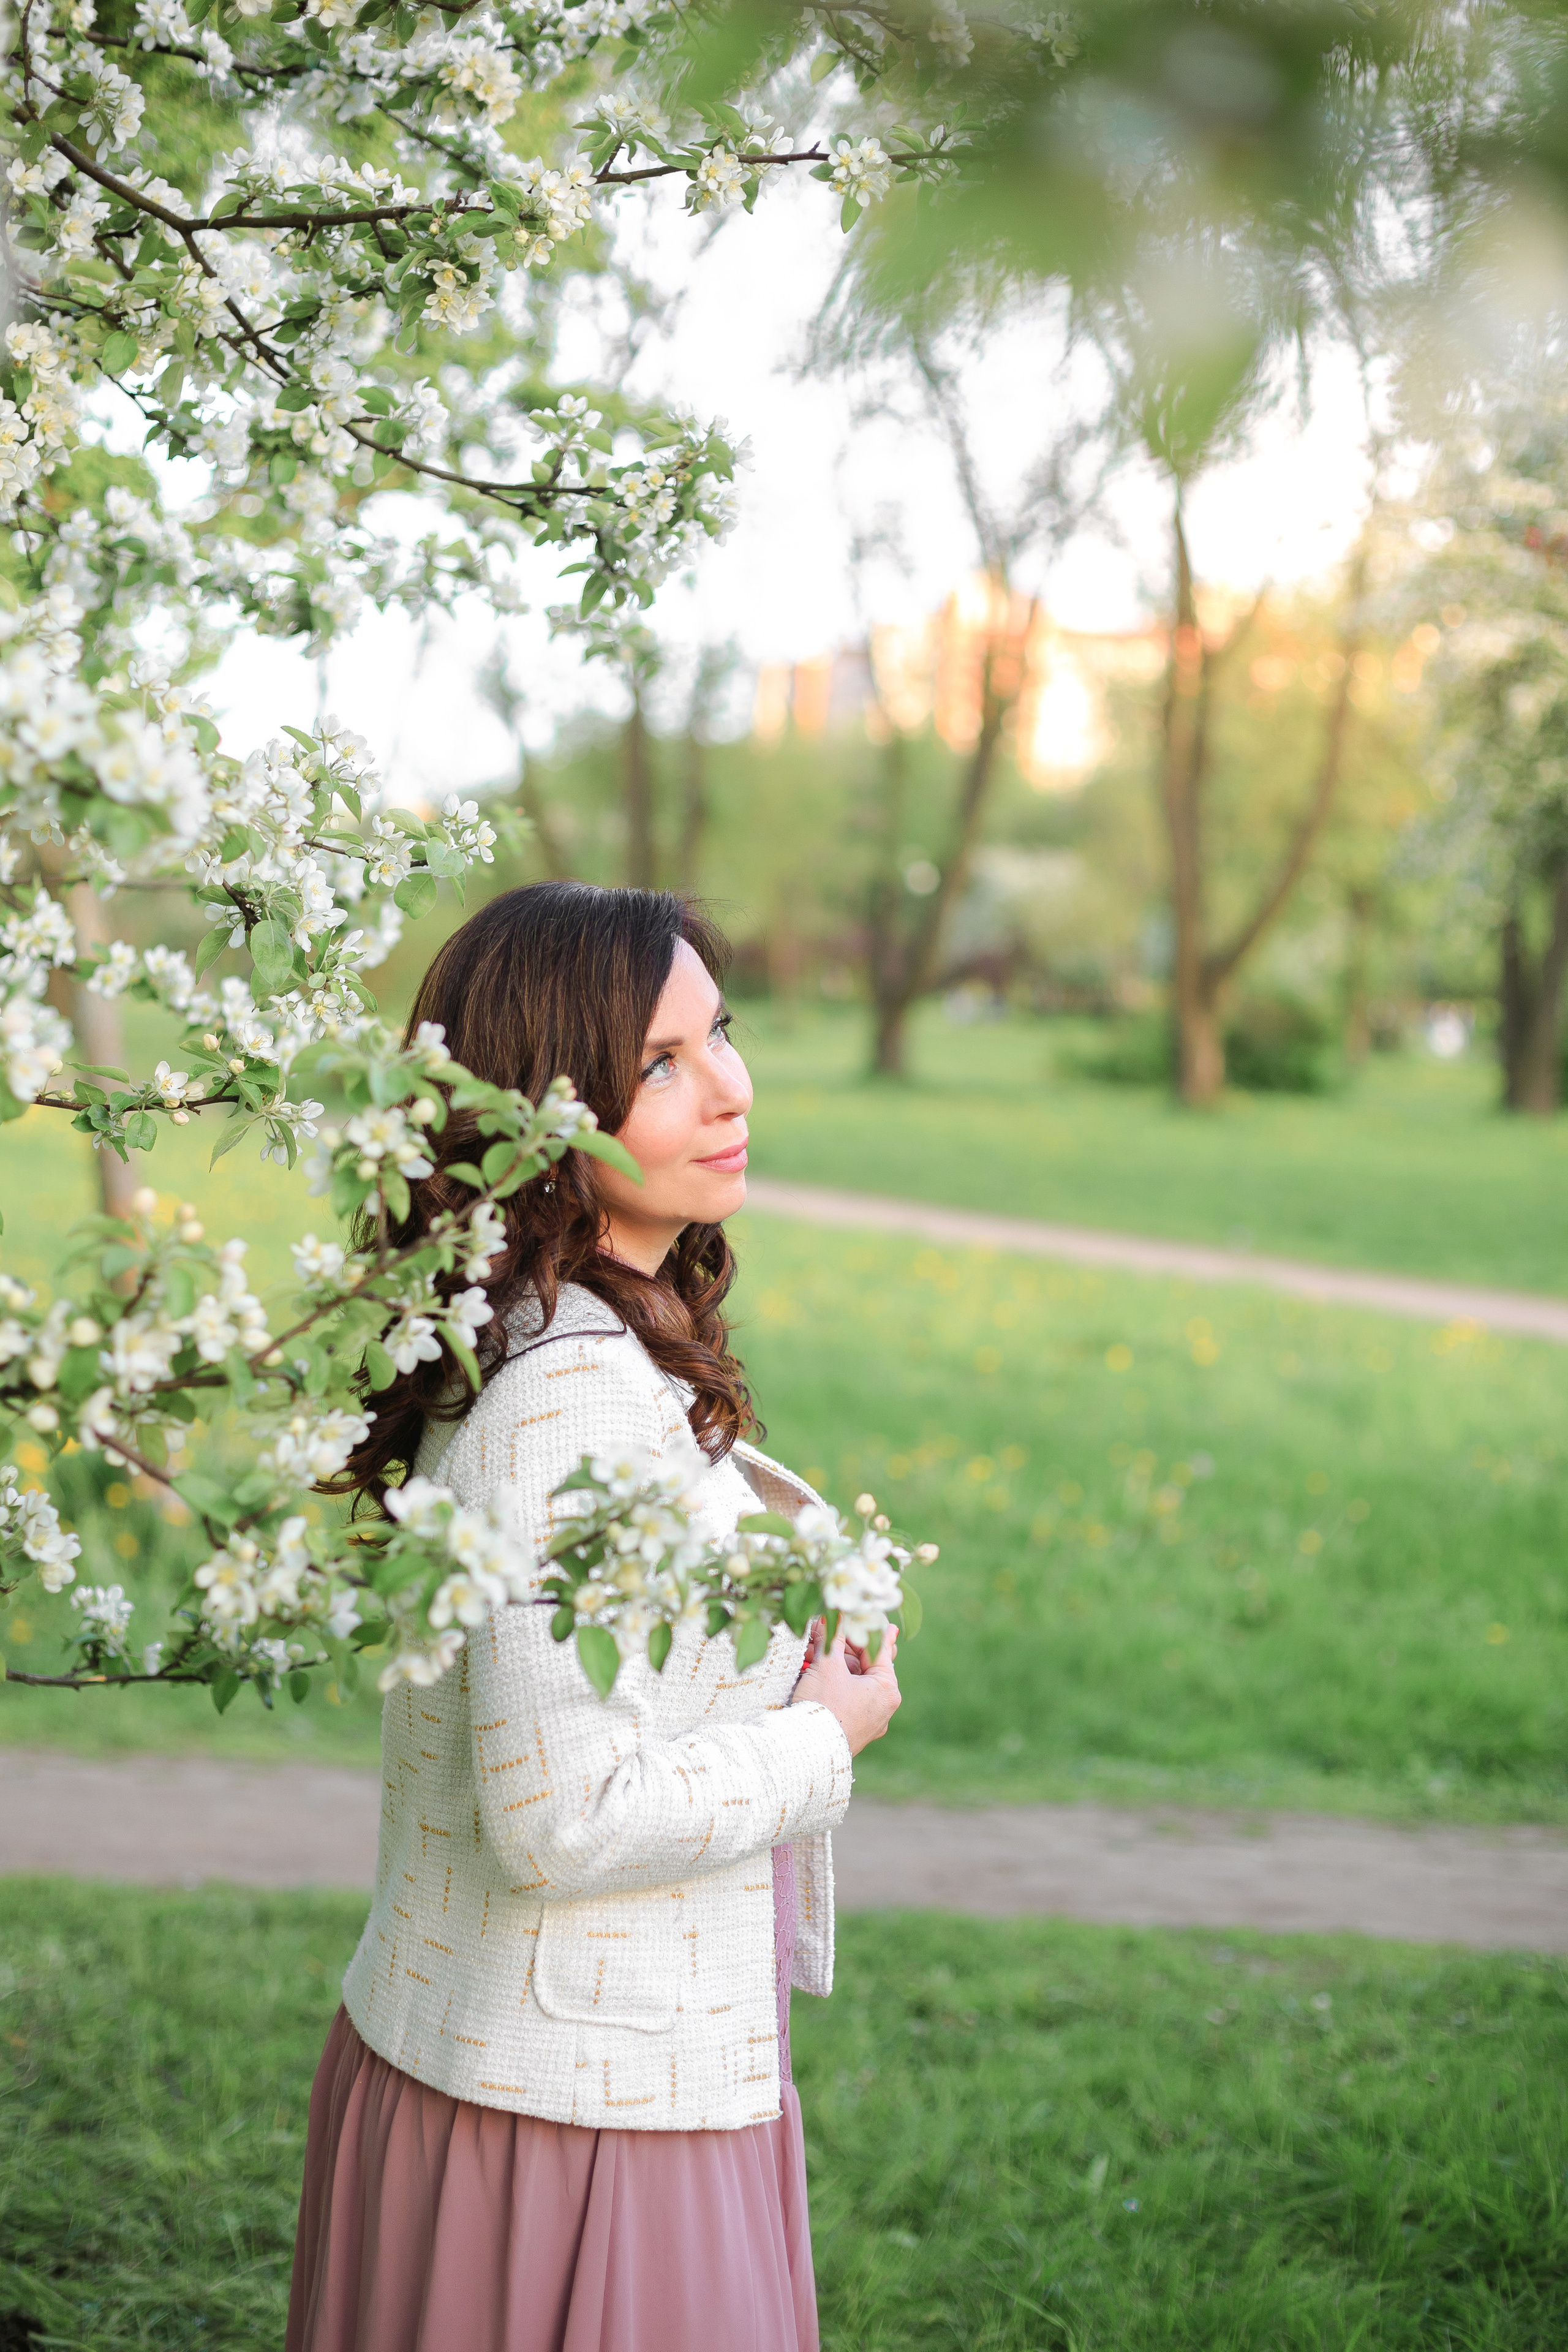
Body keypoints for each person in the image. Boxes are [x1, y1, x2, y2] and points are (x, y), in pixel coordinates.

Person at [286, 881, 902, 2352]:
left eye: (721, 1036)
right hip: (570, 2112)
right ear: (542, 1111)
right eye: (662, 1065)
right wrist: (825, 1735)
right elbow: (558, 1817)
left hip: (579, 2064)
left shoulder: (565, 1325)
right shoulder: (565, 1394)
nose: (730, 1087)